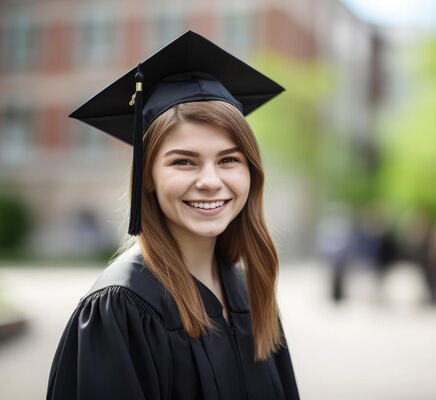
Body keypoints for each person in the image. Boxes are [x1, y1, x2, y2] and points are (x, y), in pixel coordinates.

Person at [46, 31, 299, 400]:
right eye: (184, 161)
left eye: (229, 159)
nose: (211, 181)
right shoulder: (122, 307)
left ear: (251, 171)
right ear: (147, 177)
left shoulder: (250, 291)